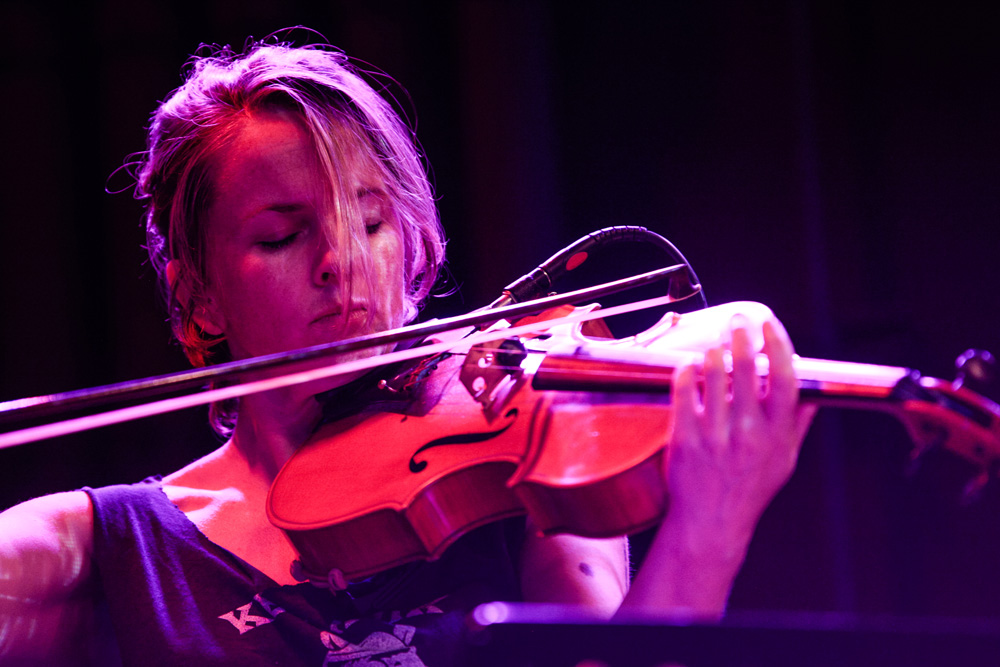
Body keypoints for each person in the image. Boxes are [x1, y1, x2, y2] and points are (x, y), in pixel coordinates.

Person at [0, 39, 814, 666]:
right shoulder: (112, 544)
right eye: (283, 235)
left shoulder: (526, 466)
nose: (343, 261)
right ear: (200, 291)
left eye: (372, 221)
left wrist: (709, 525)